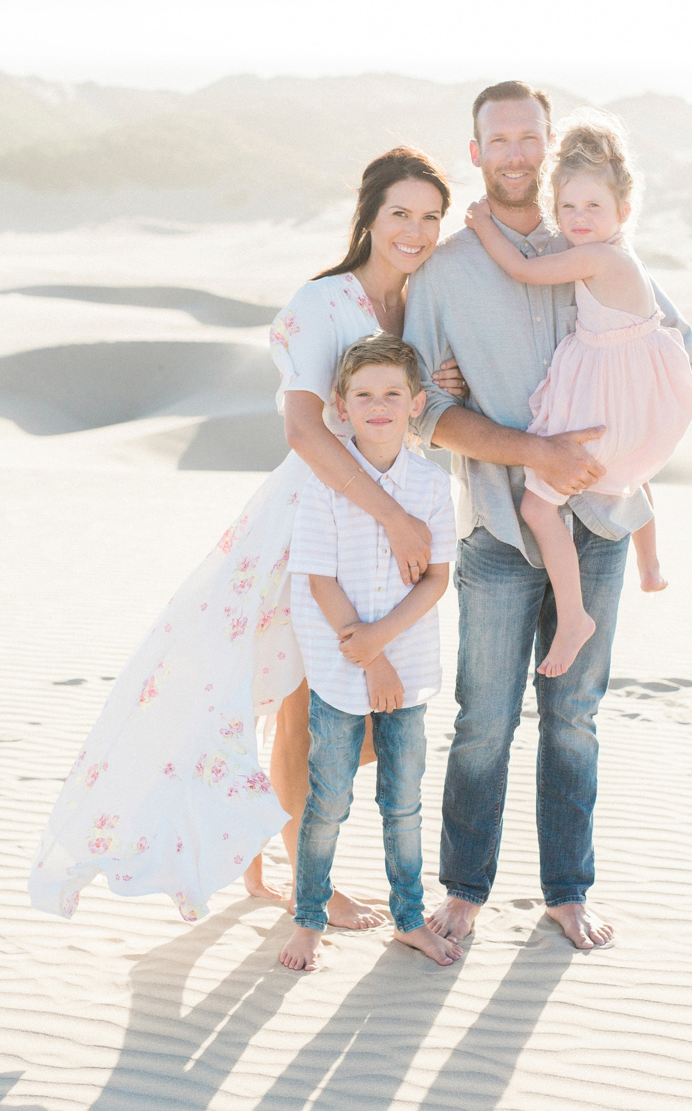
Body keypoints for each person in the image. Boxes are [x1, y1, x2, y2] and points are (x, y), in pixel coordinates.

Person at [29, 147, 467, 925]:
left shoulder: (417, 305)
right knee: (307, 707)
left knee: (357, 721)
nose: (417, 230)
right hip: (319, 520)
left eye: (431, 217)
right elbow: (304, 429)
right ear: (367, 215)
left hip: (387, 531)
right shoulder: (320, 303)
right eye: (401, 213)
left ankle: (267, 851)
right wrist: (392, 516)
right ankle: (309, 881)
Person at [402, 82, 692, 949]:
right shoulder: (450, 268)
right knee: (483, 724)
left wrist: (632, 453)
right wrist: (528, 449)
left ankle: (567, 892)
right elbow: (418, 406)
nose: (517, 154)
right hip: (500, 529)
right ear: (477, 153)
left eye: (530, 136)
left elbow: (676, 354)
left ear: (548, 142)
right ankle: (464, 891)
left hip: (600, 527)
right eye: (499, 141)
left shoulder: (595, 237)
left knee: (573, 720)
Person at [462, 116, 692, 673]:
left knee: (538, 506)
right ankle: (650, 564)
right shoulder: (621, 255)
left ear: (624, 211)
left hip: (605, 401)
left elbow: (522, 268)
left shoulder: (599, 257)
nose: (578, 219)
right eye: (567, 208)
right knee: (626, 473)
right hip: (631, 398)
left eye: (594, 206)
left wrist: (481, 224)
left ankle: (574, 617)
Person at [277, 334, 459, 970]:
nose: (377, 406)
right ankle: (308, 920)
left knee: (403, 802)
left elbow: (436, 578)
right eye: (363, 395)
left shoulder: (432, 487)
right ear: (340, 405)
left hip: (408, 673)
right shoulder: (324, 486)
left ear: (415, 404)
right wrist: (368, 652)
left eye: (392, 394)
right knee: (327, 801)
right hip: (338, 669)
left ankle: (409, 918)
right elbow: (318, 580)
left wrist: (385, 643)